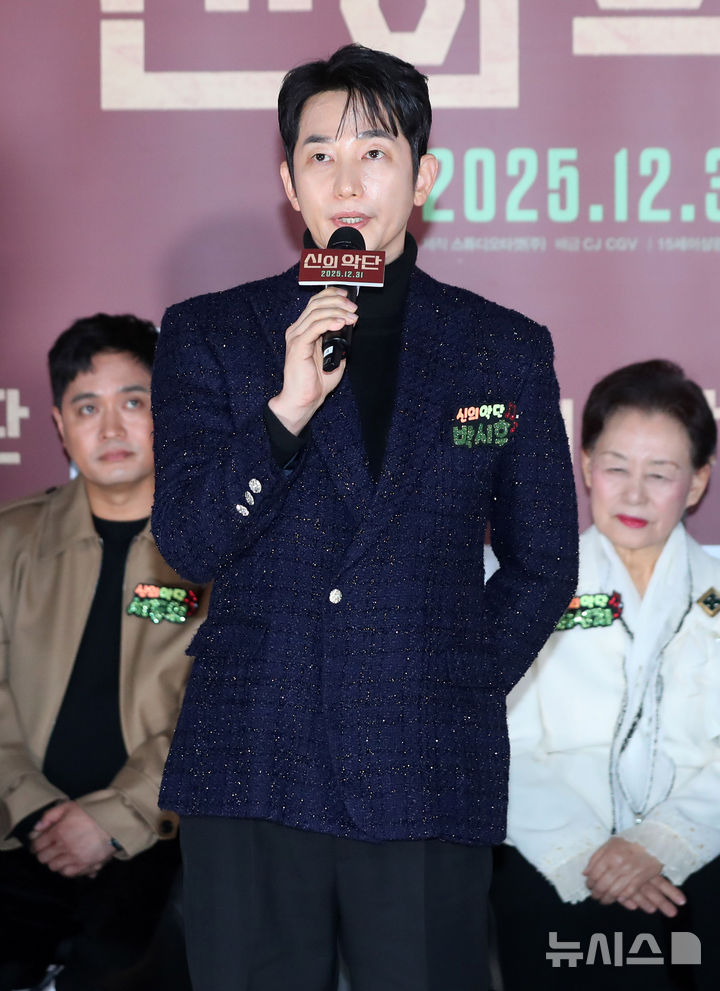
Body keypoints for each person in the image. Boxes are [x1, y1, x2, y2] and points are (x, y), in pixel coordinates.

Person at [150, 43, 578, 991]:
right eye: (320, 156)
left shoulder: (501, 348)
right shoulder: (213, 333)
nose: (346, 182)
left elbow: (544, 560)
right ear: (288, 184)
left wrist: (453, 681)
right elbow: (186, 540)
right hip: (251, 757)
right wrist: (283, 413)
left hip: (427, 764)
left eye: (374, 153)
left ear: (423, 178)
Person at [491, 359, 719, 991]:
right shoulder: (526, 590)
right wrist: (591, 853)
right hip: (558, 852)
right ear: (587, 465)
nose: (635, 494)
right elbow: (502, 744)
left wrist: (661, 843)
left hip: (702, 844)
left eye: (661, 473)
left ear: (697, 483)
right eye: (617, 467)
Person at [0, 314, 207, 991]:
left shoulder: (221, 547)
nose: (111, 429)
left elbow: (221, 713)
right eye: (87, 407)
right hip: (19, 828)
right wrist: (35, 812)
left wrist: (113, 819)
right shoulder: (11, 541)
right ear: (59, 425)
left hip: (163, 839)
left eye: (133, 402)